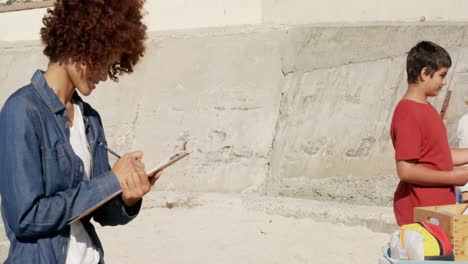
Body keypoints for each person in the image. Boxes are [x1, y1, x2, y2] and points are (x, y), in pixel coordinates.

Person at [0, 0, 162, 263]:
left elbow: (100, 213)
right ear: (78, 43)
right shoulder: (21, 111)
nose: (105, 76)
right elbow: (26, 218)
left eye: (111, 65)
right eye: (102, 61)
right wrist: (111, 181)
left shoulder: (90, 120)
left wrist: (128, 198)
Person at [390, 40, 468, 226]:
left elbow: (436, 154)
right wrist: (453, 177)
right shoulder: (408, 113)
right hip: (421, 214)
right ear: (425, 73)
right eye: (442, 75)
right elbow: (406, 170)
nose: (444, 82)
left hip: (437, 210)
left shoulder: (425, 108)